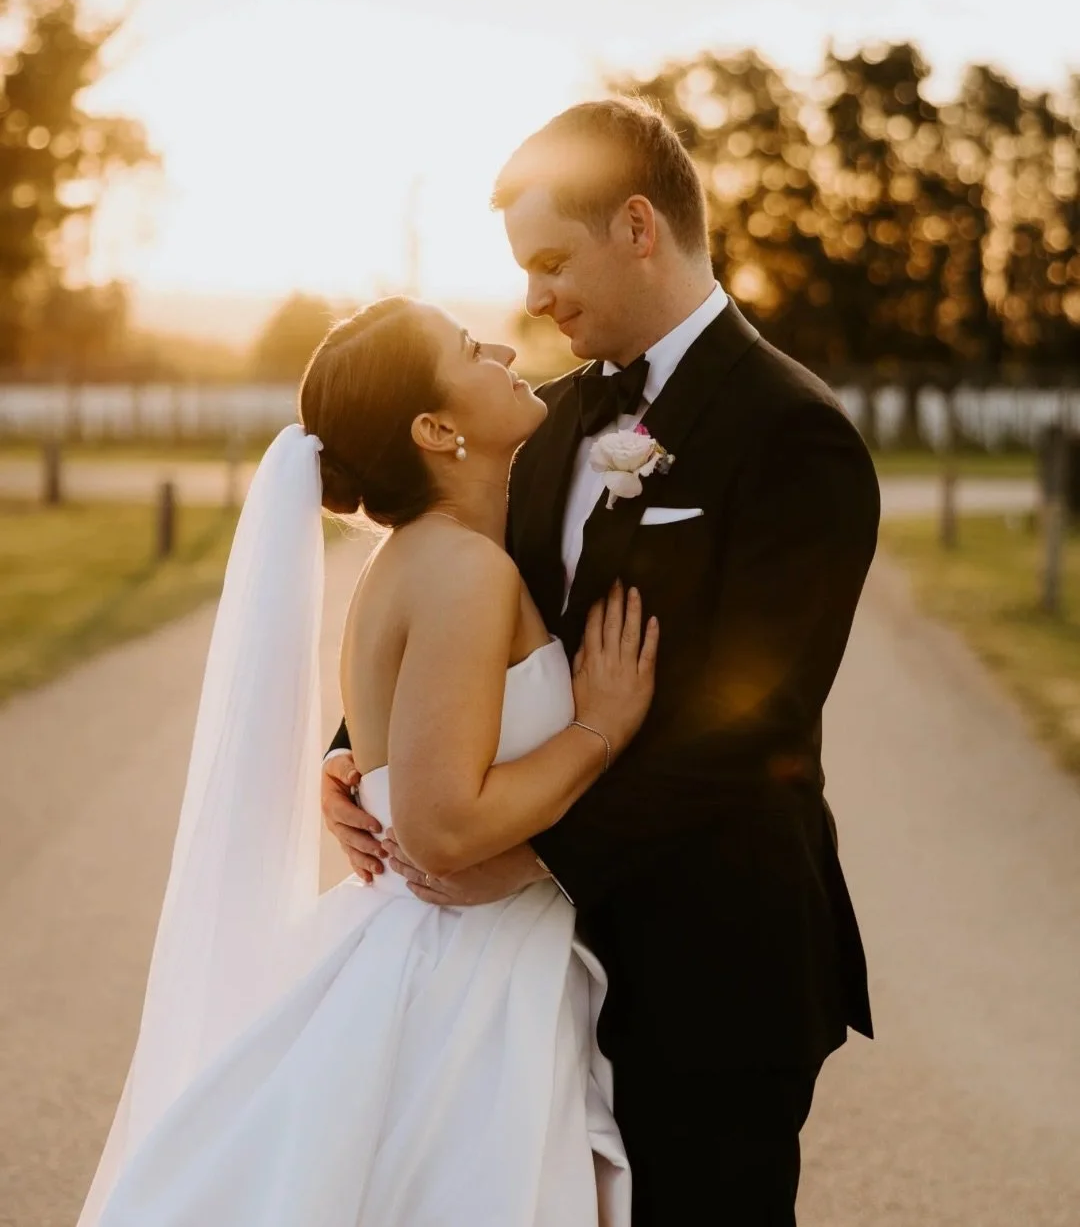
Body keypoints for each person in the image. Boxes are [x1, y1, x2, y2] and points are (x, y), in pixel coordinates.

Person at [324, 98, 880, 1226]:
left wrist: (532, 856)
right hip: (529, 980)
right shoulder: (540, 428)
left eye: (549, 263)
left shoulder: (796, 433)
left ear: (636, 227)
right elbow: (471, 624)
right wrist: (361, 758)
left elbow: (756, 722)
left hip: (712, 959)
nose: (532, 300)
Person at [78, 296, 658, 1226]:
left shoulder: (427, 559)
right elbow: (441, 828)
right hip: (461, 979)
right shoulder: (464, 571)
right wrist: (600, 730)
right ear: (434, 429)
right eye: (470, 349)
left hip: (455, 950)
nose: (505, 349)